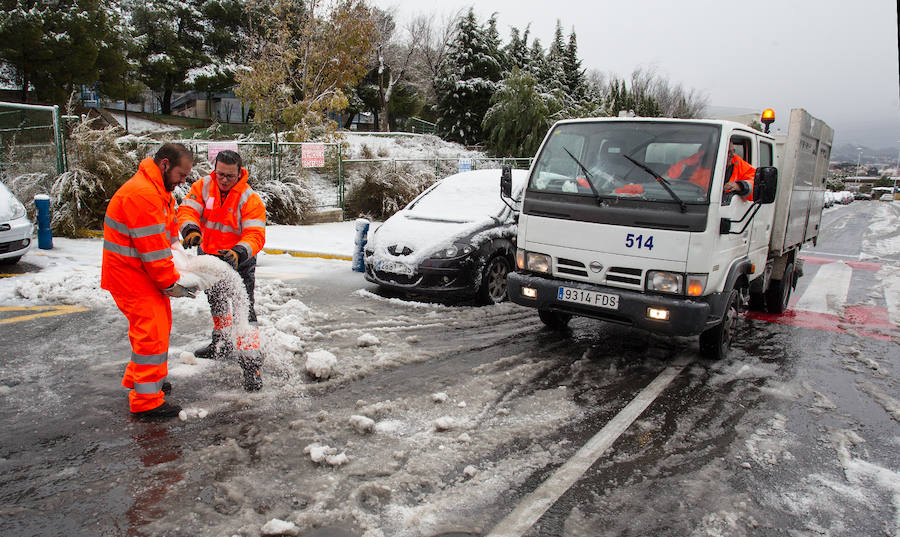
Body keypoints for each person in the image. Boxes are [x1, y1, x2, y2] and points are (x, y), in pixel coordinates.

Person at [101, 143, 198, 420]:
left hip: (139, 275)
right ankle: (146, 401)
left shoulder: (159, 190)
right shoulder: (143, 195)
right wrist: (171, 284)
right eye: (181, 174)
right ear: (165, 164)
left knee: (154, 331)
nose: (184, 181)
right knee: (151, 336)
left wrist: (182, 264)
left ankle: (143, 380)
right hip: (131, 277)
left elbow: (168, 236)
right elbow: (153, 252)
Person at [177, 149, 267, 391]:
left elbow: (255, 234)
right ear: (214, 170)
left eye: (229, 176)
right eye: (220, 174)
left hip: (239, 260)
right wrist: (191, 230)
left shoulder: (249, 199)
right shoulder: (203, 186)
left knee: (244, 311)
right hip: (209, 258)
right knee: (216, 303)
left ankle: (251, 364)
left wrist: (238, 252)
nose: (224, 180)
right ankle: (222, 344)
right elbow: (187, 210)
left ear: (240, 174)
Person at [667, 141, 756, 200]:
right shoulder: (691, 163)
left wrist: (740, 186)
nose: (732, 155)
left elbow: (758, 183)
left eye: (733, 151)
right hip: (689, 204)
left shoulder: (737, 163)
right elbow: (664, 180)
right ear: (713, 152)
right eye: (728, 152)